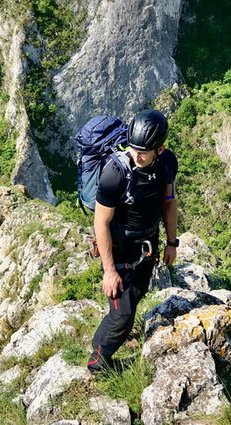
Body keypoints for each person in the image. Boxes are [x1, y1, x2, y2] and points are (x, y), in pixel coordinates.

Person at [87, 109, 179, 376]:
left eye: (144, 151)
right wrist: (109, 271)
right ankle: (98, 365)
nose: (136, 155)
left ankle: (110, 340)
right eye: (133, 148)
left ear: (160, 149)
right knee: (122, 314)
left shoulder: (167, 163)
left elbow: (169, 202)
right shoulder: (115, 172)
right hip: (120, 249)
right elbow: (100, 222)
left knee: (135, 298)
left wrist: (172, 243)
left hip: (148, 243)